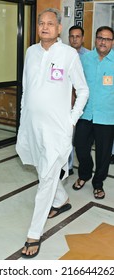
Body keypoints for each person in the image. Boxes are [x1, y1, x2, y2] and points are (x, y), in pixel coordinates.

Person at [16, 8, 89, 258]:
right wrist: (23, 121)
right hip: (32, 127)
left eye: (50, 23)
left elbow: (83, 90)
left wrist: (71, 121)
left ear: (59, 28)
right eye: (41, 23)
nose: (45, 27)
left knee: (45, 178)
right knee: (41, 169)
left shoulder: (68, 55)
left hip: (57, 130)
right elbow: (27, 89)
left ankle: (34, 233)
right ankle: (62, 200)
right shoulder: (31, 52)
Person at [72, 26, 114, 200]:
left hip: (107, 116)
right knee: (80, 146)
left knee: (103, 154)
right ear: (95, 39)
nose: (103, 42)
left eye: (107, 39)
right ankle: (85, 173)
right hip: (85, 113)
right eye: (100, 38)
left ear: (112, 42)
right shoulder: (85, 59)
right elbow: (76, 84)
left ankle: (98, 184)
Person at [68, 25, 90, 175]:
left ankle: (84, 170)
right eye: (72, 36)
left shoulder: (89, 56)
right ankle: (68, 167)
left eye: (78, 36)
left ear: (83, 38)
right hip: (65, 103)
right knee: (67, 138)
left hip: (83, 105)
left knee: (81, 142)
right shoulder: (64, 54)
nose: (74, 39)